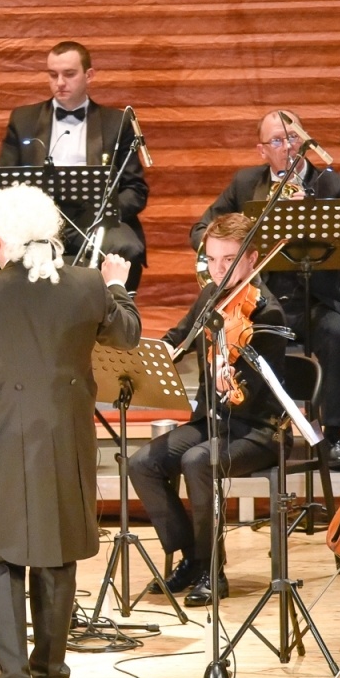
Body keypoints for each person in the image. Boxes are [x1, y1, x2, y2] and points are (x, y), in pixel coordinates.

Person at [0, 184, 140, 678]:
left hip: (4, 443)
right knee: (56, 555)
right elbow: (128, 336)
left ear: (3, 239)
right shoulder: (87, 285)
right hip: (67, 441)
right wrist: (117, 288)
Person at [128, 213, 287, 607]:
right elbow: (179, 335)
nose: (218, 269)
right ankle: (191, 558)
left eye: (229, 259)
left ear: (252, 258)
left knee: (199, 461)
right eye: (212, 260)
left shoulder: (267, 312)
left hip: (257, 430)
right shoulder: (210, 296)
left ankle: (213, 572)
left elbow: (257, 393)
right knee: (141, 463)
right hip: (212, 422)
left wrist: (230, 384)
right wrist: (160, 351)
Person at [190, 110, 340, 467]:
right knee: (225, 328)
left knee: (336, 332)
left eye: (294, 138)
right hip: (261, 302)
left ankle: (335, 435)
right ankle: (237, 427)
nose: (288, 147)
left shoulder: (335, 187)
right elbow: (202, 227)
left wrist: (309, 216)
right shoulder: (244, 184)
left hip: (316, 299)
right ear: (261, 150)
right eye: (277, 141)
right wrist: (219, 246)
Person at [0, 41, 148, 289]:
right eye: (53, 75)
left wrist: (106, 212)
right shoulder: (23, 119)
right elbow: (1, 185)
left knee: (125, 247)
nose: (60, 82)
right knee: (14, 247)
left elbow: (135, 189)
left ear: (89, 75)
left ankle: (116, 314)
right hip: (40, 221)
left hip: (96, 219)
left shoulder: (116, 122)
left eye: (69, 74)